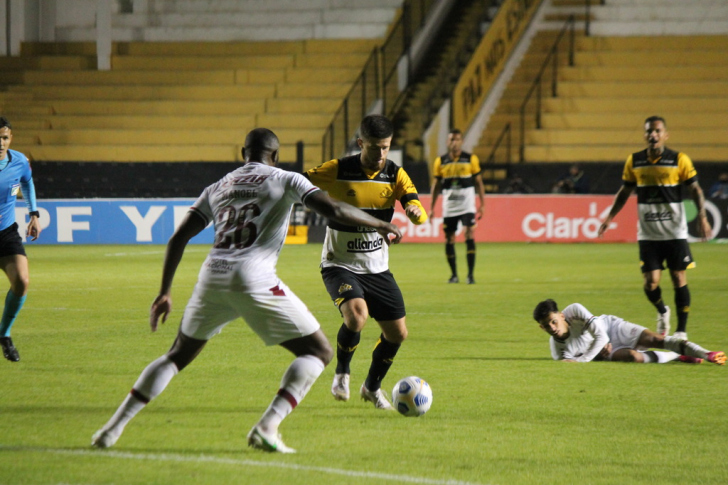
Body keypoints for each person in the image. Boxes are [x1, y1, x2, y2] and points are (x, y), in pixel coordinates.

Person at [91, 128, 403, 453]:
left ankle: (110, 431)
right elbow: (334, 210)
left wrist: (165, 292)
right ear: (276, 155)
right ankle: (267, 426)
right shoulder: (286, 178)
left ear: (243, 153)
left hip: (212, 275)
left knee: (176, 356)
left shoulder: (219, 185)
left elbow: (178, 238)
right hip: (253, 276)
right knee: (318, 352)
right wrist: (381, 224)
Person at [304, 115, 427, 410]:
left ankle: (371, 387)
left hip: (377, 268)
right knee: (356, 316)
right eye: (374, 148)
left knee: (398, 334)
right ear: (361, 143)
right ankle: (342, 373)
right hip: (339, 264)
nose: (380, 154)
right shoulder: (338, 169)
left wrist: (413, 210)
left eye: (385, 147)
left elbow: (419, 210)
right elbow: (299, 181)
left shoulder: (396, 174)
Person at [598, 116, 712, 341]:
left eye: (658, 131)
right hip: (648, 233)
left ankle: (681, 330)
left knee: (679, 278)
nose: (653, 135)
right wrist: (610, 216)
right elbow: (625, 191)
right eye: (649, 131)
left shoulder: (679, 160)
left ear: (665, 135)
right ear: (645, 135)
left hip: (674, 232)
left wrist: (703, 216)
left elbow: (695, 189)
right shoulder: (635, 161)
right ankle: (662, 311)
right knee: (650, 284)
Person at [533, 299, 725, 365]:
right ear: (541, 327)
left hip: (612, 328)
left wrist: (584, 359)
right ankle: (677, 356)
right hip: (601, 351)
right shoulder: (557, 351)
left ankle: (706, 354)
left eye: (554, 321)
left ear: (561, 315)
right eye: (547, 326)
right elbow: (572, 360)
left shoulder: (575, 310)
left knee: (655, 339)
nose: (553, 328)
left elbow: (602, 336)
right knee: (634, 357)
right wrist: (598, 355)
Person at [0, 117, 41, 362]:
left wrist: (33, 213)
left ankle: (4, 334)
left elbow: (27, 182)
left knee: (22, 281)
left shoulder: (19, 161)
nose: (0, 143)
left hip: (5, 233)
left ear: (11, 138)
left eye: (4, 137)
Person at [429, 128, 485, 284]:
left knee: (469, 234)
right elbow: (436, 185)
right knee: (449, 238)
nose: (454, 142)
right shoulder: (440, 161)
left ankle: (470, 275)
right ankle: (454, 275)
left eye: (457, 139)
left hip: (467, 206)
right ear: (448, 142)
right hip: (450, 206)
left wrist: (482, 205)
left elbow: (479, 182)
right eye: (452, 139)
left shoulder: (470, 159)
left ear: (461, 141)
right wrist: (431, 208)